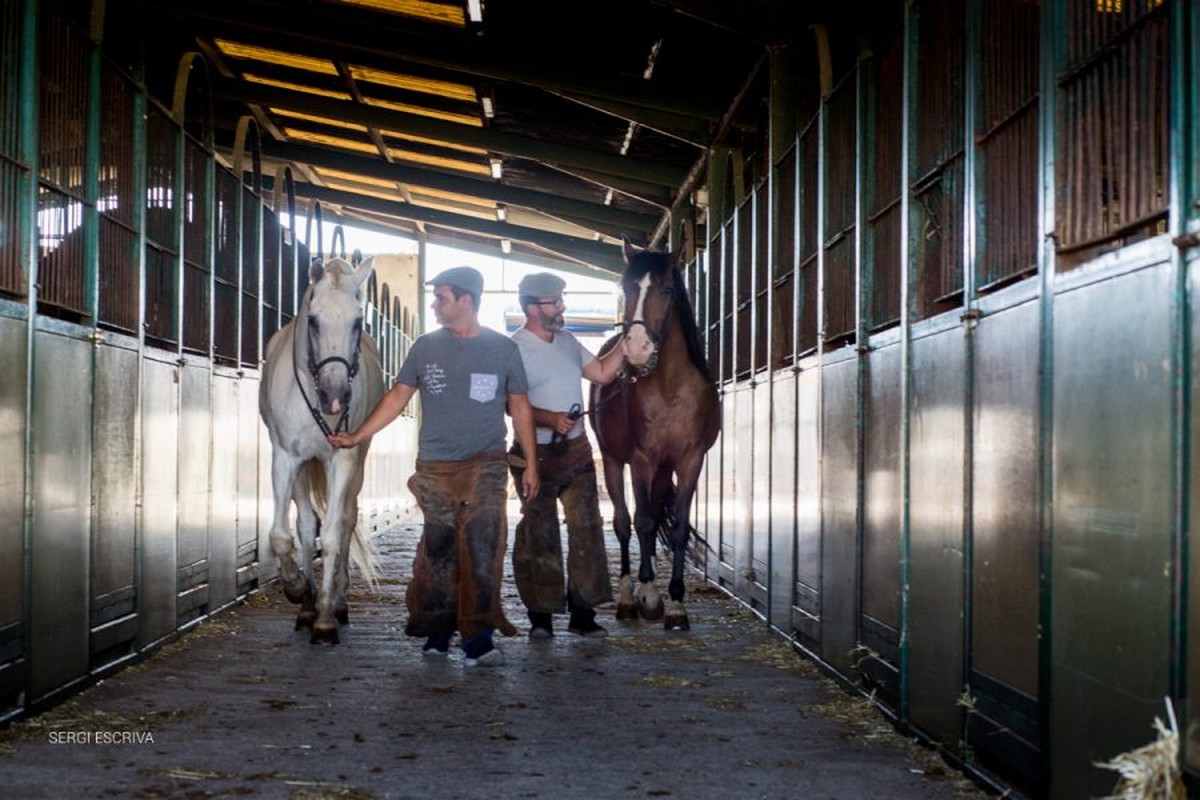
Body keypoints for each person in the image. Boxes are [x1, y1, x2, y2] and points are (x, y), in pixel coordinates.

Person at [329, 266, 539, 667]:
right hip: (436, 468)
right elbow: (398, 396)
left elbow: (520, 407)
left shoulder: (502, 349)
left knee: (483, 545)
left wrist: (531, 465)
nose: (434, 305)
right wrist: (356, 436)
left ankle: (477, 638)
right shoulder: (425, 347)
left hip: (486, 463)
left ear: (466, 300)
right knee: (438, 550)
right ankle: (437, 632)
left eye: (441, 297)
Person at [508, 272, 627, 639]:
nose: (562, 307)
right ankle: (541, 617)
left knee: (587, 527)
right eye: (555, 302)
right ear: (532, 308)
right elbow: (510, 405)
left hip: (576, 451)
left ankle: (583, 613)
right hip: (534, 455)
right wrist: (549, 418)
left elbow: (603, 374)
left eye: (561, 300)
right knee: (540, 532)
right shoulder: (513, 349)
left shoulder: (568, 342)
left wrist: (629, 340)